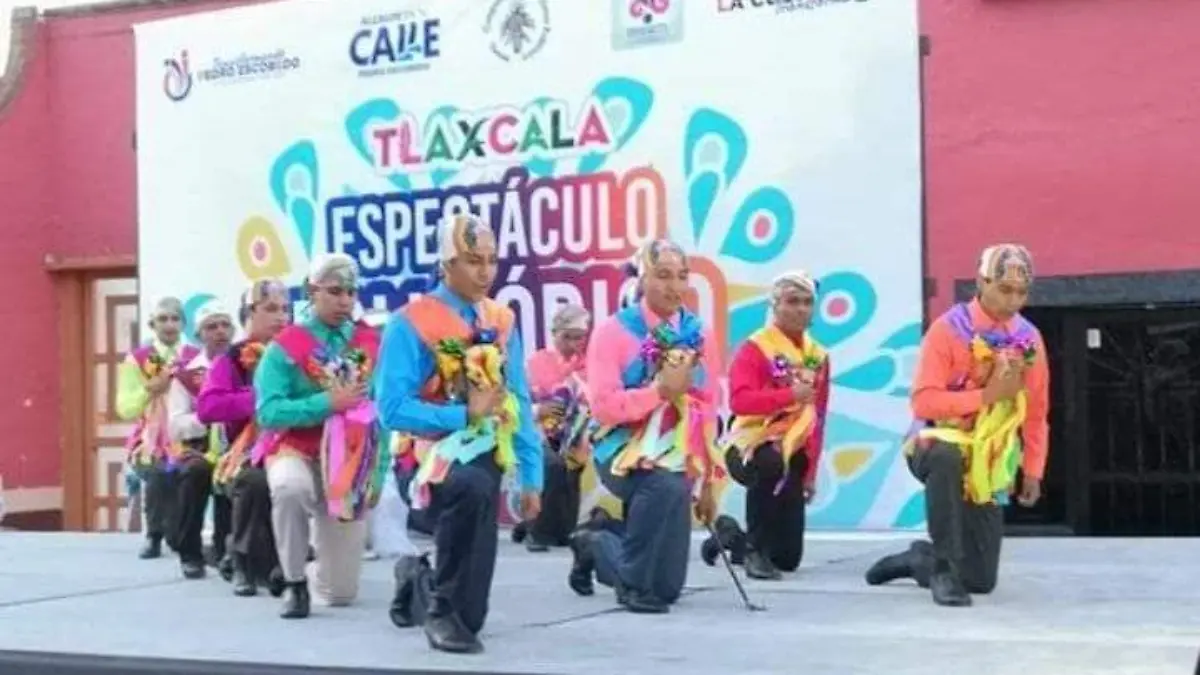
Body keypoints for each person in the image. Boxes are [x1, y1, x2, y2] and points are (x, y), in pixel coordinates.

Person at [378, 213, 542, 654]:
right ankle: (441, 611)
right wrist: (462, 415)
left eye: (491, 260)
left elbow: (518, 399)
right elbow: (391, 409)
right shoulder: (410, 323)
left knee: (475, 616)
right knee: (469, 486)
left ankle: (420, 581)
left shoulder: (501, 320)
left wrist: (531, 476)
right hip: (426, 456)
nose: (486, 271)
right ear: (447, 264)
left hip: (486, 450)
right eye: (473, 260)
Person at [865, 244, 1049, 607]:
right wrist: (987, 396)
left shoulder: (1028, 339)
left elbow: (1036, 410)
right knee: (947, 455)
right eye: (1004, 289)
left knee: (980, 581)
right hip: (932, 443)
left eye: (1021, 292)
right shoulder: (948, 330)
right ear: (981, 282)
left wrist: (1032, 469)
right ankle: (944, 570)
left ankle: (920, 559)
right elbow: (924, 402)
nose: (1013, 301)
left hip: (987, 457)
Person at [567, 239, 724, 614]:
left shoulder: (699, 333)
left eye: (681, 276)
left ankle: (595, 545)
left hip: (677, 451)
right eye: (663, 276)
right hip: (620, 449)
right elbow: (604, 408)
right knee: (661, 485)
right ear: (643, 279)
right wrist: (659, 393)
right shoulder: (613, 331)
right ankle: (632, 585)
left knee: (667, 588)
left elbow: (708, 407)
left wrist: (707, 482)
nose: (674, 286)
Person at [254, 254, 383, 619]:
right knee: (289, 488)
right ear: (312, 292)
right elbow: (268, 412)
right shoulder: (284, 346)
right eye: (335, 291)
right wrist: (327, 403)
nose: (345, 300)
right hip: (296, 448)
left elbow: (380, 410)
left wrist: (378, 470)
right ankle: (294, 581)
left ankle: (312, 571)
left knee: (340, 594)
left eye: (351, 292)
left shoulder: (368, 341)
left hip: (349, 461)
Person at [705, 271, 831, 580]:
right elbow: (740, 402)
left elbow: (818, 417)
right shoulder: (756, 348)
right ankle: (754, 551)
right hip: (747, 444)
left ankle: (732, 537)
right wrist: (788, 395)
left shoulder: (818, 355)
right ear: (775, 306)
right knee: (770, 459)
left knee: (787, 559)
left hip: (792, 452)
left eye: (807, 302)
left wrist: (810, 473)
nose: (800, 309)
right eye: (792, 301)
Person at [197, 279, 290, 596]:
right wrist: (262, 399)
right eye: (271, 309)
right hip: (247, 453)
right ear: (249, 314)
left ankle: (291, 563)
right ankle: (242, 562)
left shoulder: (300, 354)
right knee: (254, 480)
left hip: (296, 447)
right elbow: (208, 407)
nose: (281, 317)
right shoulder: (233, 358)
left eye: (285, 309)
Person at [115, 297, 199, 560]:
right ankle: (153, 534)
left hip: (188, 435)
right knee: (157, 470)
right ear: (152, 324)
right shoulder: (141, 358)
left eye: (175, 319)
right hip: (150, 439)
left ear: (183, 324)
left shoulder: (194, 358)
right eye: (163, 319)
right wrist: (149, 390)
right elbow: (125, 408)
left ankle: (182, 535)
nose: (169, 325)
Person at [512, 302, 592, 552]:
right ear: (554, 333)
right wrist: (539, 410)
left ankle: (559, 531)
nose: (573, 344)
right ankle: (538, 532)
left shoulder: (588, 365)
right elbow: (515, 404)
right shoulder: (537, 362)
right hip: (537, 433)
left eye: (579, 338)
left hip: (574, 435)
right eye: (567, 337)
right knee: (552, 464)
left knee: (571, 465)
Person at [166, 303, 234, 579]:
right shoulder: (186, 375)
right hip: (199, 448)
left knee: (238, 473)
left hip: (237, 446)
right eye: (211, 327)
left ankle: (227, 550)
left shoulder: (245, 363)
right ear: (198, 335)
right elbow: (175, 424)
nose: (220, 332)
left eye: (225, 325)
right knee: (196, 472)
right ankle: (190, 553)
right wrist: (209, 416)